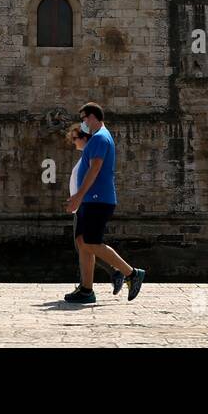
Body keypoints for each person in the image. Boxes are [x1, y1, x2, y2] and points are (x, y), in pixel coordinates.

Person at [63, 102, 145, 303]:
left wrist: (79, 196)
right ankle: (86, 290)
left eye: (84, 119)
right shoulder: (97, 139)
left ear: (92, 117)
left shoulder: (100, 137)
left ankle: (131, 273)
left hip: (98, 199)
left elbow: (95, 169)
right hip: (91, 200)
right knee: (82, 242)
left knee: (91, 242)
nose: (83, 123)